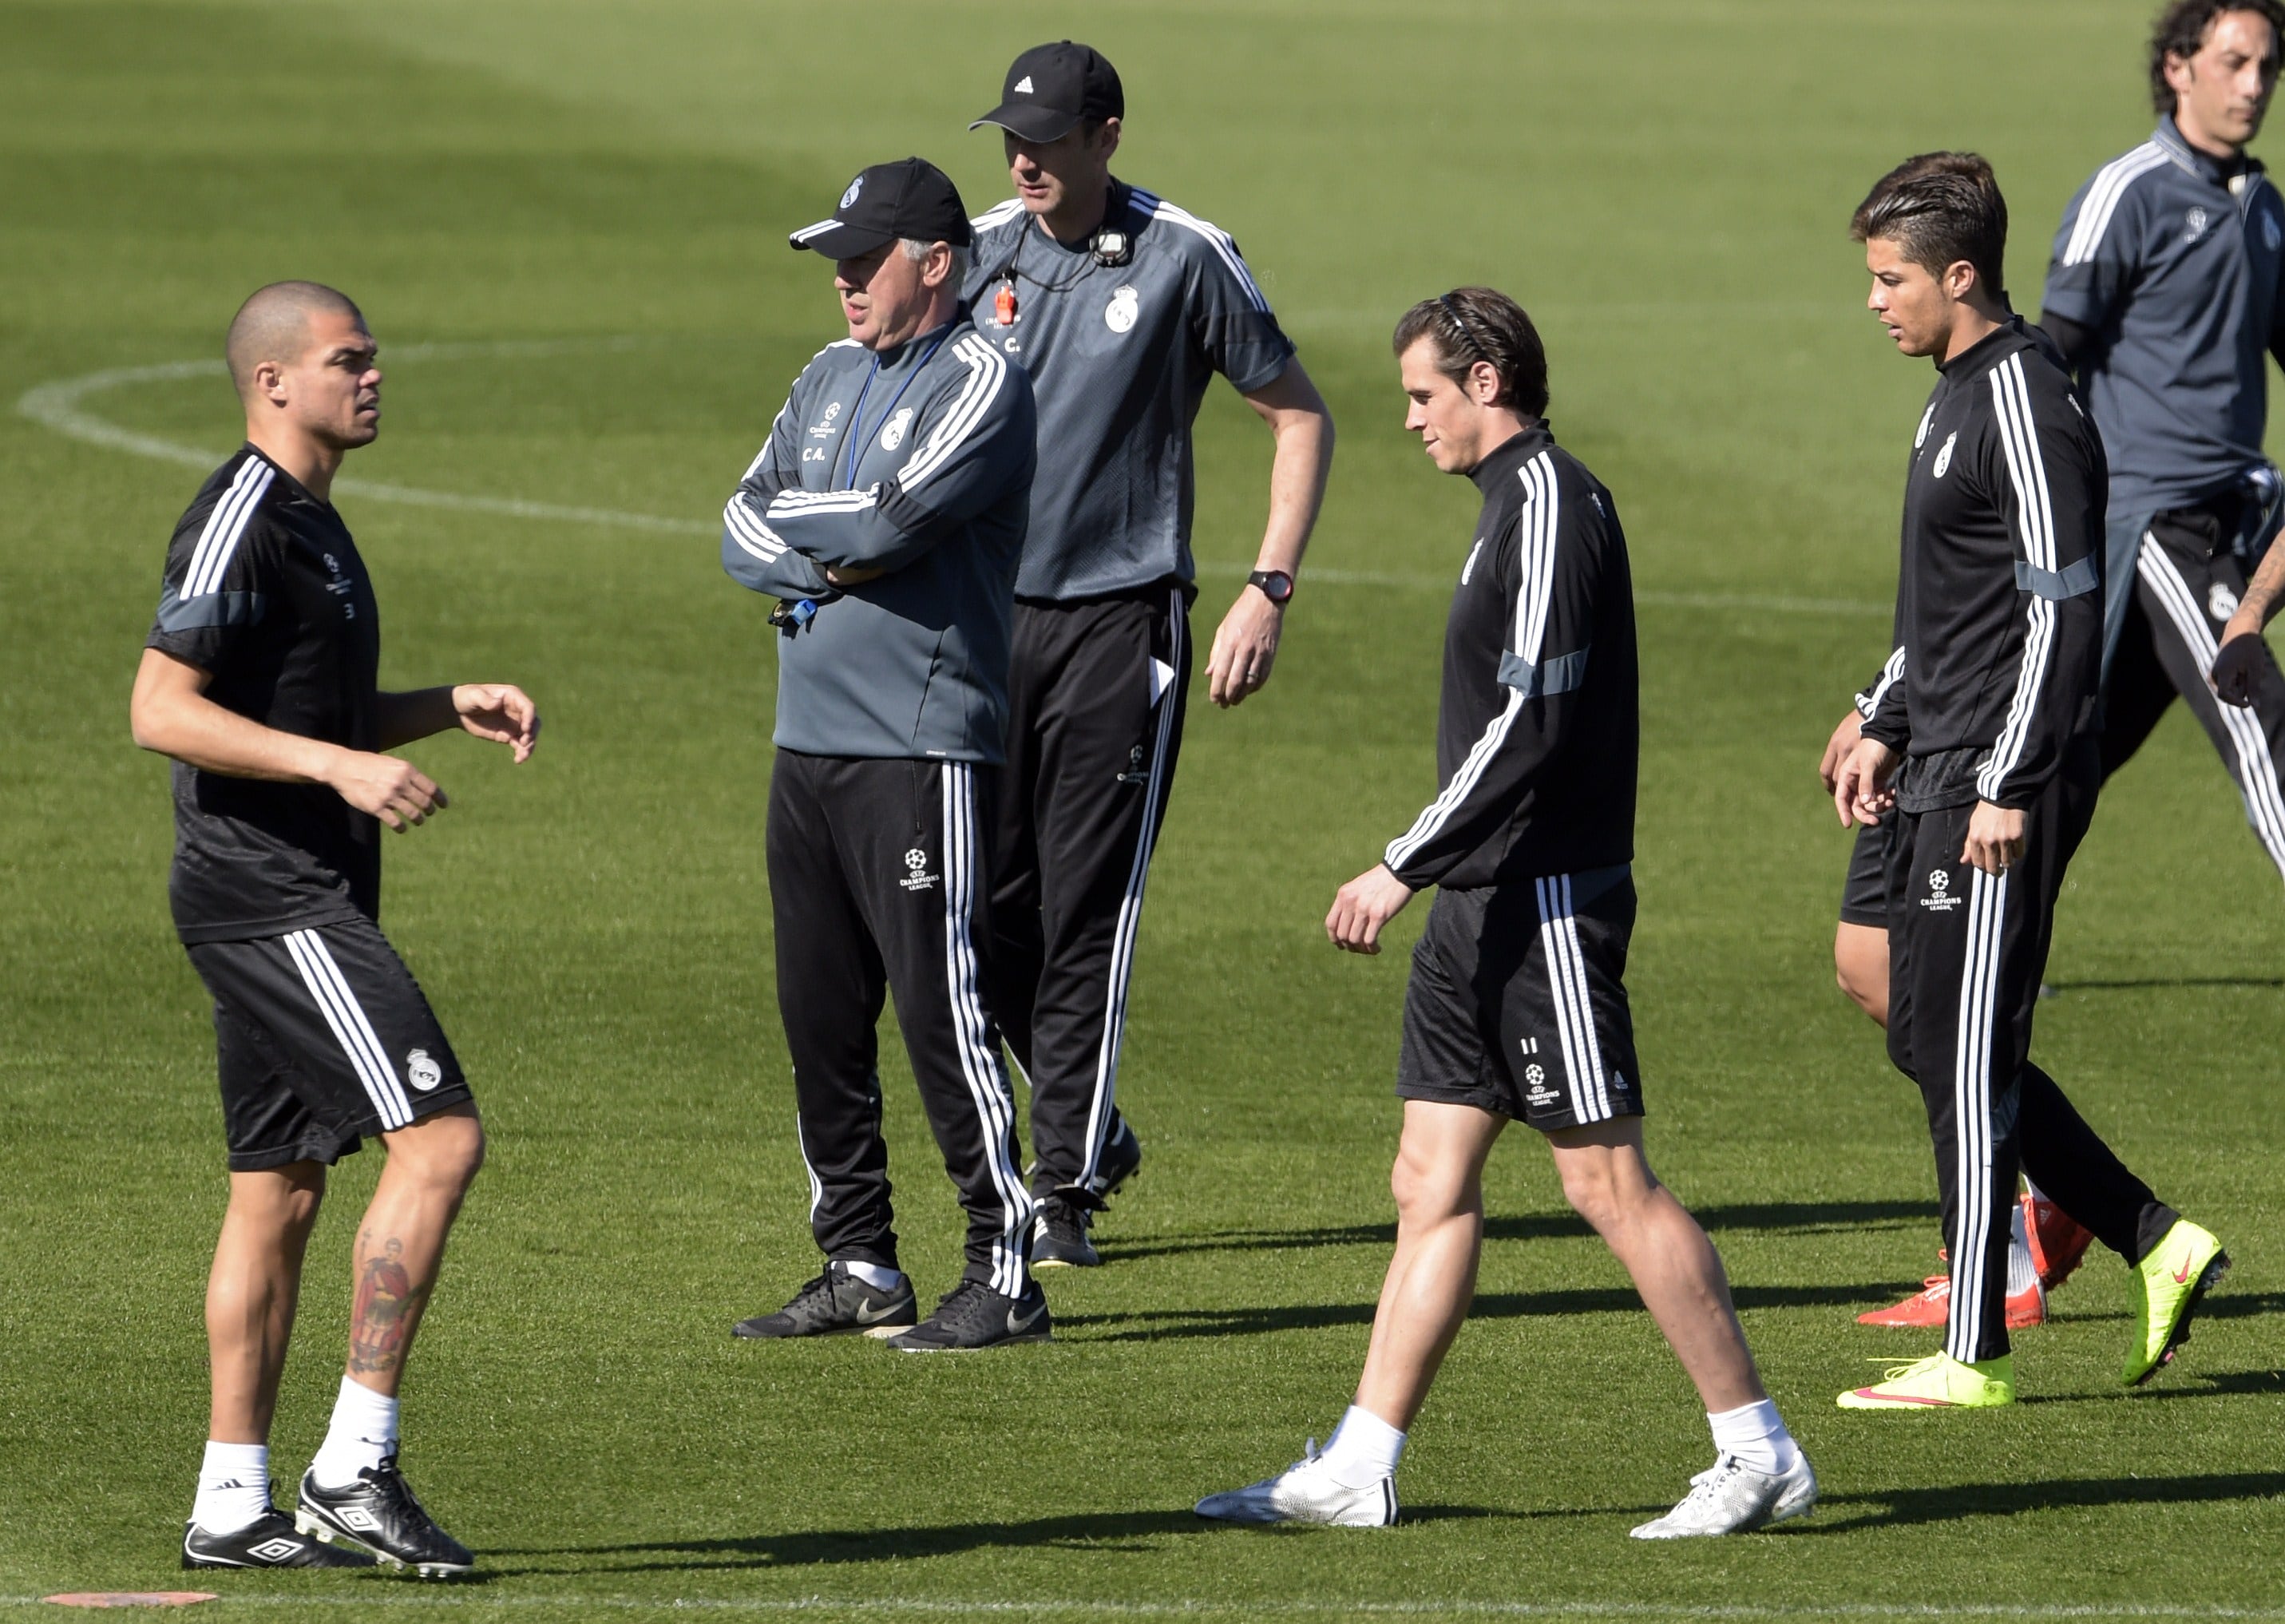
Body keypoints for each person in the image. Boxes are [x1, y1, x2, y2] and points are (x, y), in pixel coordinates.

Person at [1194, 288, 1816, 1538]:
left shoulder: (1551, 508)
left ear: (1486, 382)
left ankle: (1757, 1449)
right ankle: (1361, 1463)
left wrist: (1398, 863)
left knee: (1605, 1180)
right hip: (1480, 908)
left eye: (1423, 393)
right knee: (1428, 1176)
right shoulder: (1503, 509)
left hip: (1544, 907)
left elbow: (1527, 726)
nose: (1411, 420)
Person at [134, 281, 539, 1574]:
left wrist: (431, 707)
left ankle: (229, 1502)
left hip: (288, 887)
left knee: (279, 1193)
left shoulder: (312, 518)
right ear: (274, 382)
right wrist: (339, 771)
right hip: (268, 895)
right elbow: (161, 707)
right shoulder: (244, 514)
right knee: (440, 1141)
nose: (373, 377)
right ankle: (353, 1467)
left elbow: (307, 704)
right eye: (348, 360)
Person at [1828, 153, 2228, 1411]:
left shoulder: (2022, 397)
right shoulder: (1949, 390)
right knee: (1903, 1007)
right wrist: (1878, 713)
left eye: (1892, 280)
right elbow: (1956, 602)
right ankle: (2152, 1233)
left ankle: (1973, 1346)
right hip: (1934, 753)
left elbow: (2062, 606)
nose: (1875, 302)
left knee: (1963, 1045)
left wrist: (2007, 779)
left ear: (1960, 276)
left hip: (1996, 779)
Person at [963, 42, 1337, 1266]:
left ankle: (1060, 1184)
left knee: (1085, 910)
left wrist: (1264, 587)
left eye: (1050, 140)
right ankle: (1097, 1126)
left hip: (1122, 624)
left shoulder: (1185, 253)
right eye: (1014, 138)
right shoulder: (977, 252)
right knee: (974, 914)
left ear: (1107, 137)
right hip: (978, 624)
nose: (1026, 159)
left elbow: (1295, 414)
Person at [720, 158, 1047, 1353]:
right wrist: (839, 547)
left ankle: (1005, 1270)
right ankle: (857, 1257)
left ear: (938, 263)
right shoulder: (825, 375)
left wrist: (835, 532)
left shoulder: (981, 380)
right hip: (804, 741)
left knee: (939, 1014)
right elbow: (739, 520)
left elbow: (884, 519)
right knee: (818, 1014)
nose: (845, 282)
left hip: (918, 747)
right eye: (837, 263)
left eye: (866, 260)